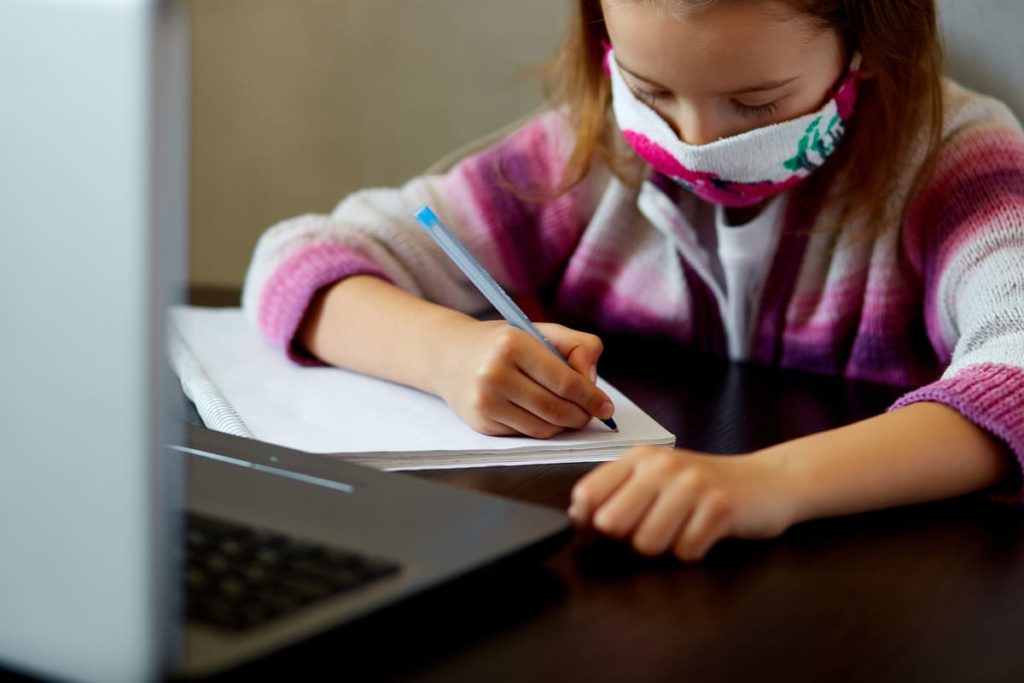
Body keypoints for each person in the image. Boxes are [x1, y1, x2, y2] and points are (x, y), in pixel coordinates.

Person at [243, 0, 1024, 561]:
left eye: (756, 105)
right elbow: (298, 258)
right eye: (650, 93)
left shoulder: (955, 163)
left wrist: (772, 483)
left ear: (869, 45)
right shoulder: (585, 160)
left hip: (878, 585)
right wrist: (447, 353)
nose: (695, 143)